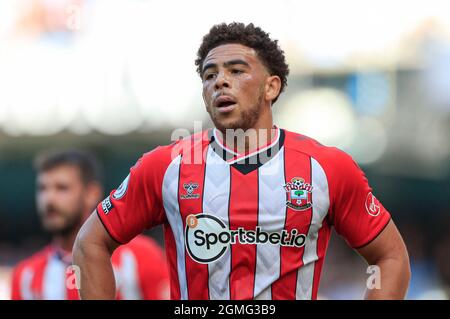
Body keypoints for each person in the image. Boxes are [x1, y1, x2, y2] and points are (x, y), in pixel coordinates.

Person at [73, 22, 410, 300]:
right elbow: (91, 243)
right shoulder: (166, 166)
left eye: (236, 70)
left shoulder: (326, 168)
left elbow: (390, 257)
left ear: (271, 87)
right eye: (209, 75)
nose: (219, 81)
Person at [11, 150, 169, 300]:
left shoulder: (140, 256)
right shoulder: (25, 276)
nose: (49, 199)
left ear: (91, 194)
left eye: (61, 188)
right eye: (42, 189)